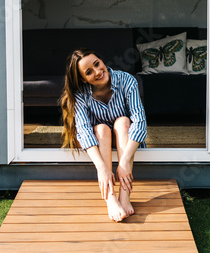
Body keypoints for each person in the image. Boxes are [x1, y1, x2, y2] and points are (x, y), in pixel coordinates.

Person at [60, 48, 147, 222]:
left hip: (127, 141)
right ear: (82, 79)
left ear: (102, 60)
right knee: (101, 129)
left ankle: (124, 195)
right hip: (101, 143)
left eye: (97, 64)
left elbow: (140, 122)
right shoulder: (80, 94)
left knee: (123, 121)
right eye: (89, 72)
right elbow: (84, 130)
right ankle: (110, 198)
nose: (98, 72)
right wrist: (102, 168)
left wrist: (123, 162)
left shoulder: (126, 80)